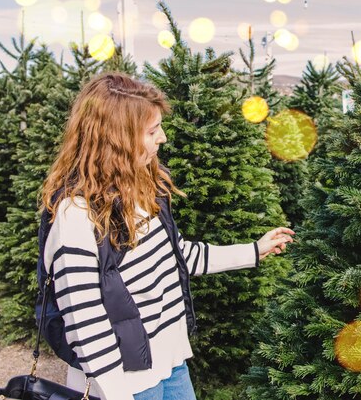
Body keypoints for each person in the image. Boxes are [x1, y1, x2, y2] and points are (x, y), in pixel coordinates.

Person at [38, 72, 295, 400]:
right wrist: (119, 394)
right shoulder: (75, 214)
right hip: (127, 381)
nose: (162, 138)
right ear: (117, 137)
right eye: (152, 130)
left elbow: (175, 256)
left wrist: (253, 251)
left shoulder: (139, 190)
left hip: (171, 363)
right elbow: (85, 323)